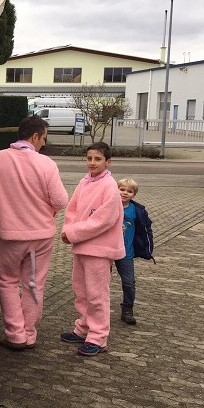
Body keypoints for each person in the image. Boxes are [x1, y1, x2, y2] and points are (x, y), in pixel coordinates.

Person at [0, 116, 68, 351]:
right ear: (35, 136)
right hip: (42, 234)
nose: (44, 143)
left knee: (7, 280)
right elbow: (60, 200)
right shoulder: (46, 163)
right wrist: (45, 208)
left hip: (10, 235)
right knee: (34, 284)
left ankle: (15, 334)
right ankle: (29, 332)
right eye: (44, 138)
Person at [60, 142, 125, 357]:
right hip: (82, 245)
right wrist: (68, 229)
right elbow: (72, 210)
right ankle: (84, 327)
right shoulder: (84, 182)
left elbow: (104, 219)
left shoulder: (109, 186)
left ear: (108, 162)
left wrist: (74, 232)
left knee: (97, 294)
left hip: (99, 248)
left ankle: (98, 336)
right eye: (89, 158)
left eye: (97, 159)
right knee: (81, 290)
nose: (92, 163)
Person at [115, 177, 154, 325]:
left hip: (126, 252)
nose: (125, 193)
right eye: (122, 189)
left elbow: (145, 229)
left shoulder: (137, 210)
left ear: (134, 194)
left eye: (129, 191)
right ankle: (98, 309)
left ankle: (127, 309)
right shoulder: (109, 205)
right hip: (107, 250)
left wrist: (147, 248)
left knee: (129, 282)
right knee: (101, 281)